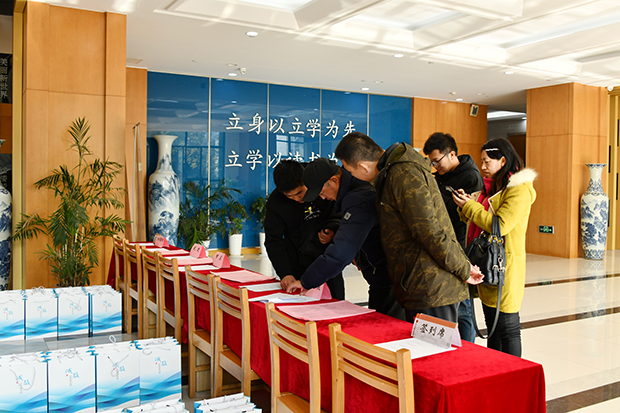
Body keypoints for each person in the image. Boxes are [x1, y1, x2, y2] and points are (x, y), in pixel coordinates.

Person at [335, 132, 483, 324]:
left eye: (351, 171)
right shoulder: (393, 172)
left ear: (363, 166)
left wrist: (463, 268)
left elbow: (429, 231)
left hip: (431, 286)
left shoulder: (403, 174)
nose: (353, 177)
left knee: (432, 343)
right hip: (420, 282)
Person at [284, 158, 404, 319]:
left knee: (387, 329)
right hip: (385, 277)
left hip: (390, 278)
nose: (323, 198)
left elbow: (341, 252)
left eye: (322, 192)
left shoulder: (358, 199)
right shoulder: (356, 192)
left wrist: (307, 281)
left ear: (334, 180)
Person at [452, 138, 536, 357]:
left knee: (508, 328)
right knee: (493, 327)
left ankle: (513, 372)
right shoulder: (492, 188)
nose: (483, 167)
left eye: (487, 161)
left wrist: (470, 206)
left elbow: (500, 225)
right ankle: (496, 369)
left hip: (504, 267)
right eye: (481, 161)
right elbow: (477, 219)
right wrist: (464, 205)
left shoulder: (519, 190)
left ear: (503, 161)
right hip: (487, 264)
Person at [423, 132, 483, 343]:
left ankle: (468, 347)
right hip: (445, 245)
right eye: (431, 162)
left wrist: (436, 195)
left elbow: (465, 216)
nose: (435, 166)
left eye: (437, 161)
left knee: (463, 305)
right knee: (451, 301)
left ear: (452, 154)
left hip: (461, 245)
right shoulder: (441, 175)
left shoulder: (471, 177)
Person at [264, 160, 345, 300]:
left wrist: (333, 229)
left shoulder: (321, 183)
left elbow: (341, 211)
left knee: (335, 303)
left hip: (327, 260)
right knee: (299, 306)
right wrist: (285, 273)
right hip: (297, 261)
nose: (297, 199)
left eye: (300, 193)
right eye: (290, 196)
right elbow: (273, 240)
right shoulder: (276, 202)